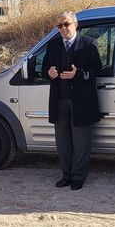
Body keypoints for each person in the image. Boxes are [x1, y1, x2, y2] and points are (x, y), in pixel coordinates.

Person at [42, 11, 102, 191]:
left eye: (66, 24)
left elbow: (97, 69)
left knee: (81, 142)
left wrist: (79, 74)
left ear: (75, 25)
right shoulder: (52, 45)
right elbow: (45, 69)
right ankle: (66, 175)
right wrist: (49, 73)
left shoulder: (88, 44)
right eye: (59, 26)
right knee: (62, 142)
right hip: (59, 100)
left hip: (81, 102)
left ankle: (78, 176)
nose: (63, 28)